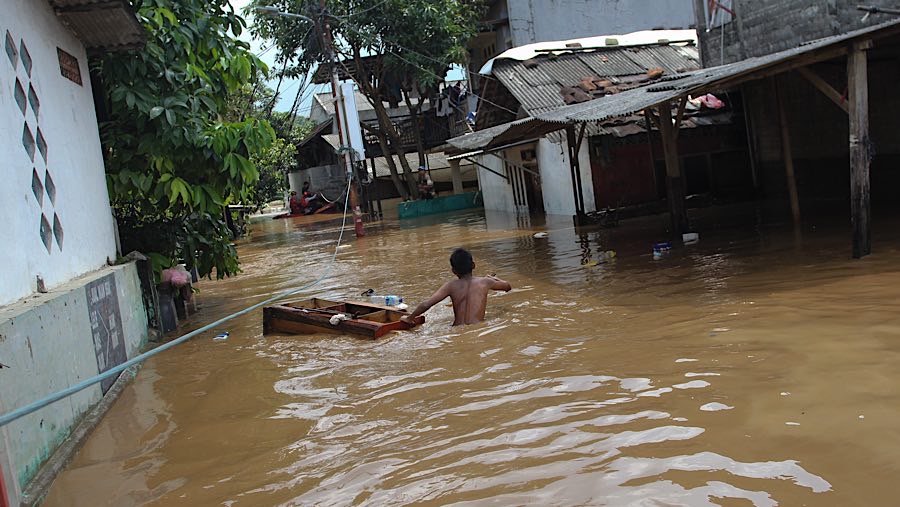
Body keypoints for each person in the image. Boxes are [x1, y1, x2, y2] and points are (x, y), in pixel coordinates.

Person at [401, 248, 511, 326]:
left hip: (456, 329)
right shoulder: (486, 282)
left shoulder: (450, 285)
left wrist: (410, 318)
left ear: (454, 271)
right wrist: (493, 279)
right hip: (477, 329)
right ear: (473, 265)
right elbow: (507, 287)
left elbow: (427, 304)